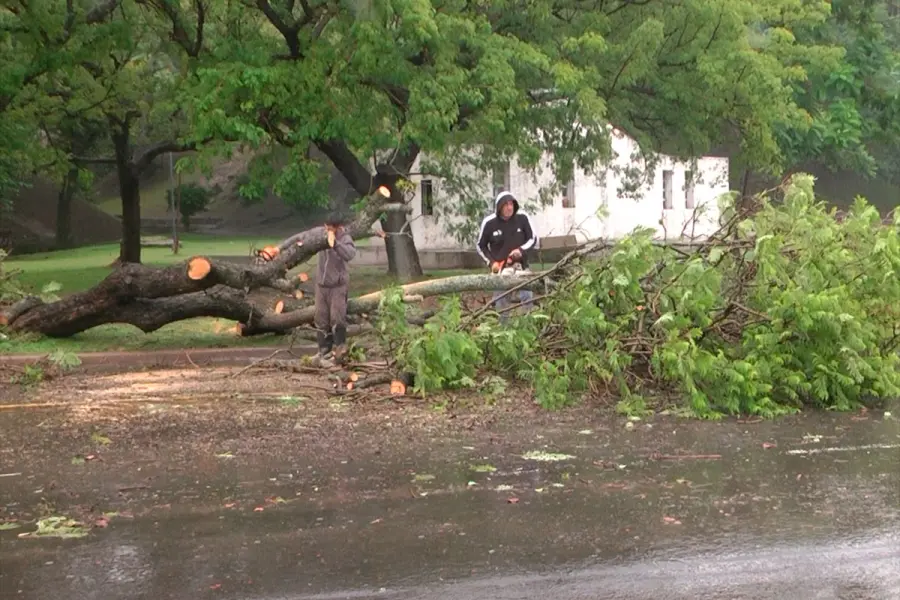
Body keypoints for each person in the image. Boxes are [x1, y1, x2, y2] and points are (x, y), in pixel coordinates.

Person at [476, 191, 538, 320]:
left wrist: (521, 250)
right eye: (506, 205)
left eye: (511, 204)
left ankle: (529, 324)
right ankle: (503, 327)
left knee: (527, 297)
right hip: (501, 270)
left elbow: (533, 238)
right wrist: (491, 262)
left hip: (521, 267)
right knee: (501, 301)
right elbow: (481, 245)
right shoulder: (489, 223)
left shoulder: (522, 218)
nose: (509, 208)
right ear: (499, 207)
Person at [314, 212, 356, 367]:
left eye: (331, 228)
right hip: (321, 285)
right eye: (326, 227)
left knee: (337, 318)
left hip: (337, 286)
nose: (328, 230)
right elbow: (303, 239)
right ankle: (323, 351)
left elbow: (350, 254)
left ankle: (339, 351)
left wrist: (335, 244)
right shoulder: (321, 234)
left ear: (338, 227)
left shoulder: (345, 238)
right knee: (321, 318)